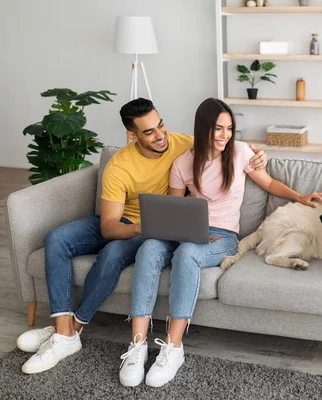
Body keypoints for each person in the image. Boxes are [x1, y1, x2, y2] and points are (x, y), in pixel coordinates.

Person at [16, 98, 268, 374]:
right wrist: (140, 227)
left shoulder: (183, 145)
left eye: (160, 125)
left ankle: (66, 333)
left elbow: (222, 144)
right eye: (149, 132)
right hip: (125, 223)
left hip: (154, 228)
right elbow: (109, 227)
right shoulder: (119, 165)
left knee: (113, 254)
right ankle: (64, 331)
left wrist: (257, 154)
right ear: (132, 135)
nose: (160, 136)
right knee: (56, 239)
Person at [118, 98, 322, 388]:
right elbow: (175, 208)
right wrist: (169, 226)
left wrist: (300, 196)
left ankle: (173, 347)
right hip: (185, 230)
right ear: (203, 128)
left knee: (188, 253)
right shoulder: (182, 163)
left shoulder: (240, 153)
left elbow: (268, 183)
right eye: (218, 129)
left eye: (229, 129)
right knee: (150, 247)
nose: (224, 135)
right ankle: (138, 346)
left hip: (223, 237)